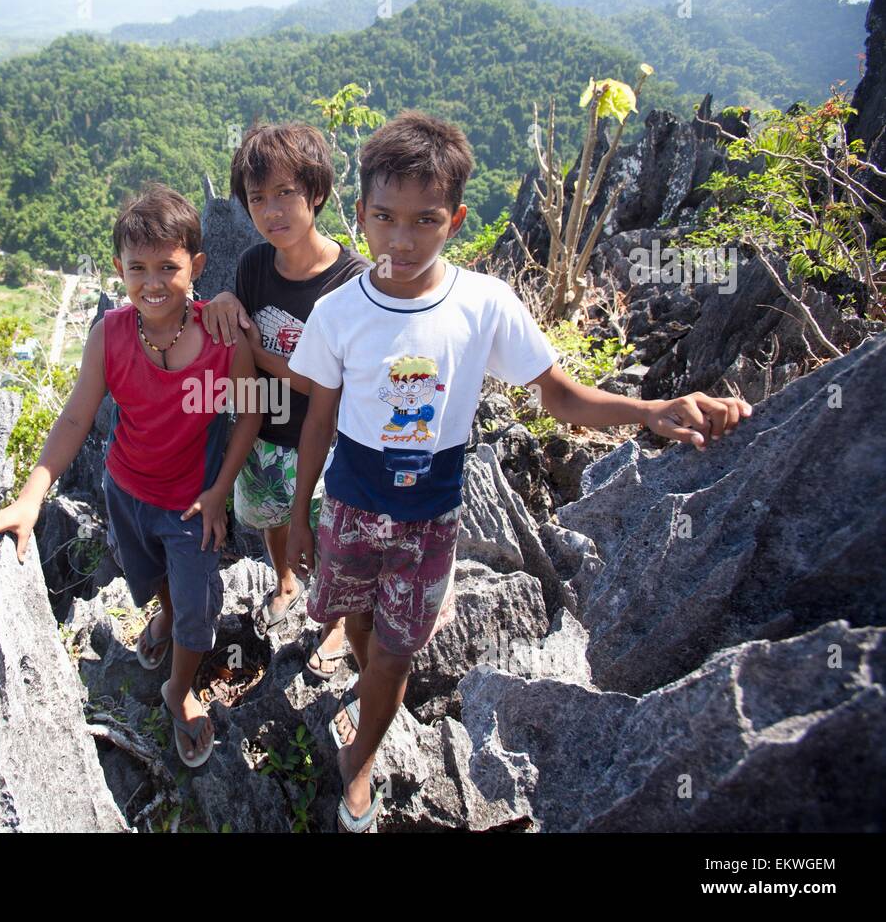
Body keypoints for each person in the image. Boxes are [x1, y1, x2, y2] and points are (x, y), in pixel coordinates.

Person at [285, 111, 753, 832]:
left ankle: (365, 756)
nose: (402, 240)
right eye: (384, 218)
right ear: (360, 215)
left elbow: (562, 397)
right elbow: (318, 417)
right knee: (356, 626)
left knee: (392, 655)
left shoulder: (484, 306)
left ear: (457, 220)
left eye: (426, 220)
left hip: (429, 520)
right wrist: (298, 515)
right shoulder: (339, 310)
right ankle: (369, 666)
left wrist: (653, 408)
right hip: (348, 504)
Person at [0, 183, 263, 768]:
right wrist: (31, 498)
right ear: (118, 269)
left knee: (197, 612)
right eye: (137, 268)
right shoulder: (109, 334)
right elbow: (78, 415)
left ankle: (178, 692)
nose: (152, 282)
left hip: (190, 507)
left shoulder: (220, 336)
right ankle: (165, 617)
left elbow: (252, 412)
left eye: (168, 267)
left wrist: (219, 492)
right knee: (158, 584)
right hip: (125, 492)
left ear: (197, 266)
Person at [200, 122, 370, 679]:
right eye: (257, 199)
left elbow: (332, 386)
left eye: (285, 194)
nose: (271, 211)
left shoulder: (351, 280)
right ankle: (284, 580)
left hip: (323, 442)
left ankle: (338, 620)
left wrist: (259, 350)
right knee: (272, 521)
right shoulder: (253, 266)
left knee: (328, 536)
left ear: (316, 192)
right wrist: (224, 300)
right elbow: (239, 342)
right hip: (262, 433)